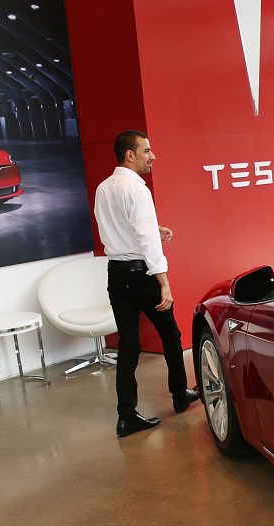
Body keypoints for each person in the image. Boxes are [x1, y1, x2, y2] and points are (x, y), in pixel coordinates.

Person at [93, 130, 199, 438]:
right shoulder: (137, 189)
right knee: (171, 334)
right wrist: (163, 282)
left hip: (116, 273)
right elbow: (147, 242)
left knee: (129, 344)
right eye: (147, 151)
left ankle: (126, 416)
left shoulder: (104, 187)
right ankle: (180, 395)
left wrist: (155, 227)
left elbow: (119, 227)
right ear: (130, 155)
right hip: (142, 275)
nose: (152, 156)